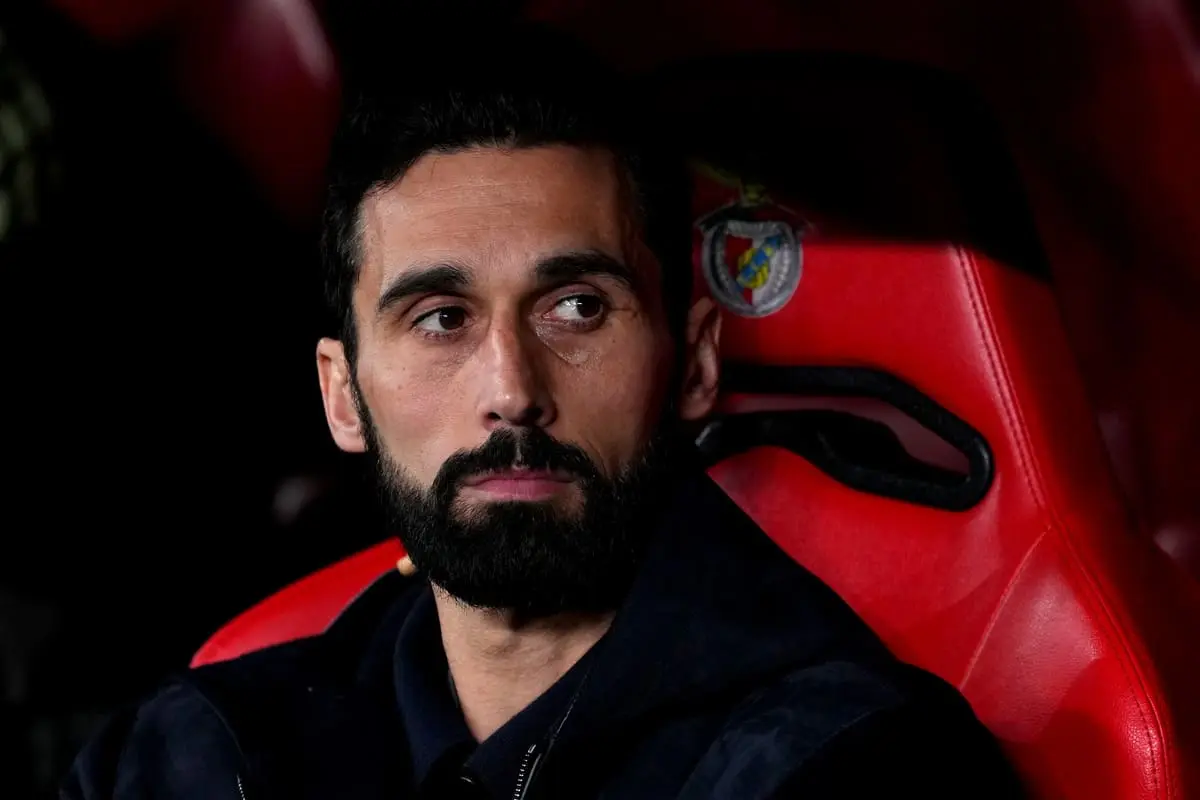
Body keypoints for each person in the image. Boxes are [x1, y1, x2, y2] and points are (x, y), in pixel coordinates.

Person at [62, 24, 1021, 800]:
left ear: (690, 364)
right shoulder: (186, 758)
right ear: (342, 394)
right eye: (440, 320)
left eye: (577, 309)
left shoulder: (850, 766)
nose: (512, 388)